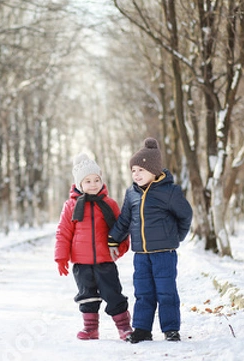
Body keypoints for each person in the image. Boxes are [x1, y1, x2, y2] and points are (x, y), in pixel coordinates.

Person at [109, 137, 193, 343]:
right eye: (133, 170)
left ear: (154, 170)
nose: (136, 174)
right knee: (143, 292)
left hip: (164, 253)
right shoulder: (131, 193)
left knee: (166, 292)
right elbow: (125, 219)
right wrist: (113, 239)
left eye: (140, 170)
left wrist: (176, 237)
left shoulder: (170, 192)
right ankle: (142, 329)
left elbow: (185, 215)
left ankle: (171, 329)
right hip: (141, 254)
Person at [54, 153, 132, 341]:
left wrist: (121, 247)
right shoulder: (71, 206)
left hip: (105, 260)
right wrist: (61, 257)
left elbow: (120, 228)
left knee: (113, 293)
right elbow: (63, 232)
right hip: (81, 263)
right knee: (87, 296)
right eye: (87, 181)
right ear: (79, 184)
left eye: (96, 180)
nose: (93, 184)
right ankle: (90, 329)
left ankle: (124, 327)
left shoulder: (109, 204)